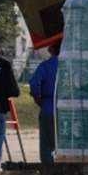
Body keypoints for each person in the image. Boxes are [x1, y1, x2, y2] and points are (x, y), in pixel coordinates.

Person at [27, 38, 61, 166]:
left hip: (48, 108)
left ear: (52, 50)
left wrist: (38, 99)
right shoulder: (70, 65)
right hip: (67, 111)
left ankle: (48, 170)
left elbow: (34, 84)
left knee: (47, 144)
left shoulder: (45, 65)